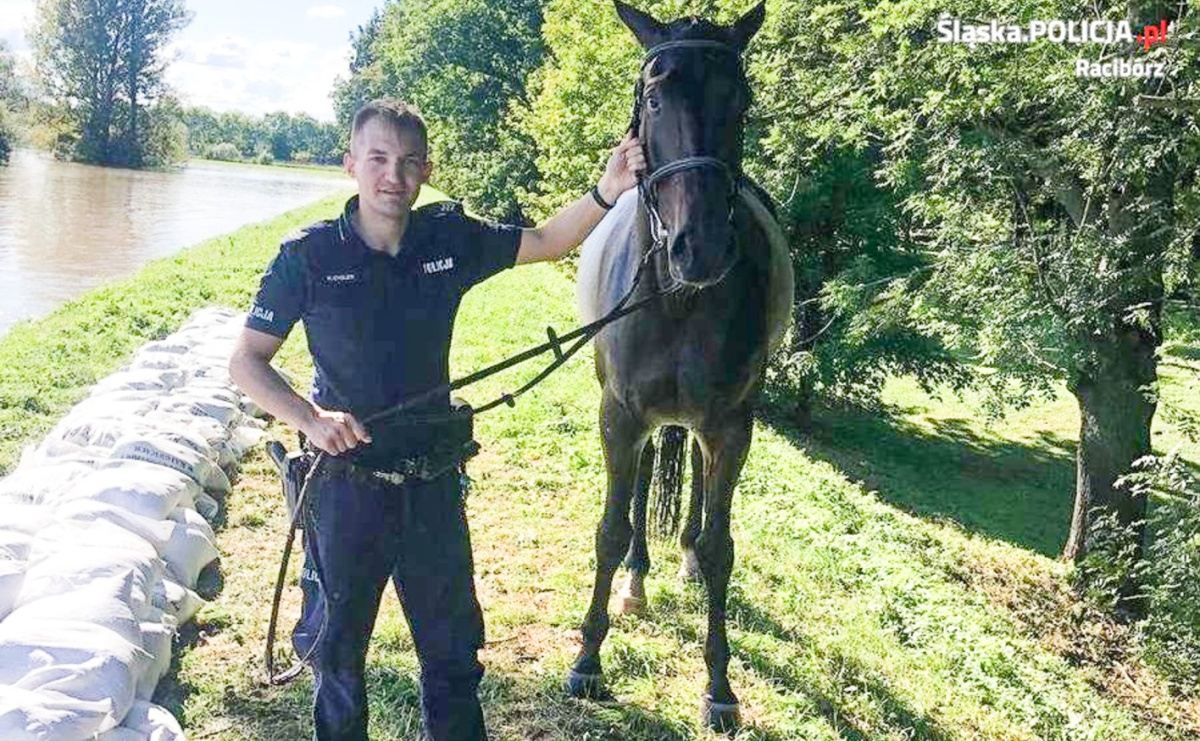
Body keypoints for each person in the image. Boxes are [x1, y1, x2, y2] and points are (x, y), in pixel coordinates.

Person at [228, 99, 645, 741]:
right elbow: (248, 363)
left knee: (452, 657)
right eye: (378, 159)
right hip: (344, 489)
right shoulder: (306, 257)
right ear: (351, 165)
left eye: (408, 162)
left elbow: (545, 242)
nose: (393, 175)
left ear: (425, 171)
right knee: (336, 657)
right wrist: (310, 418)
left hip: (433, 487)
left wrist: (606, 190)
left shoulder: (448, 240)